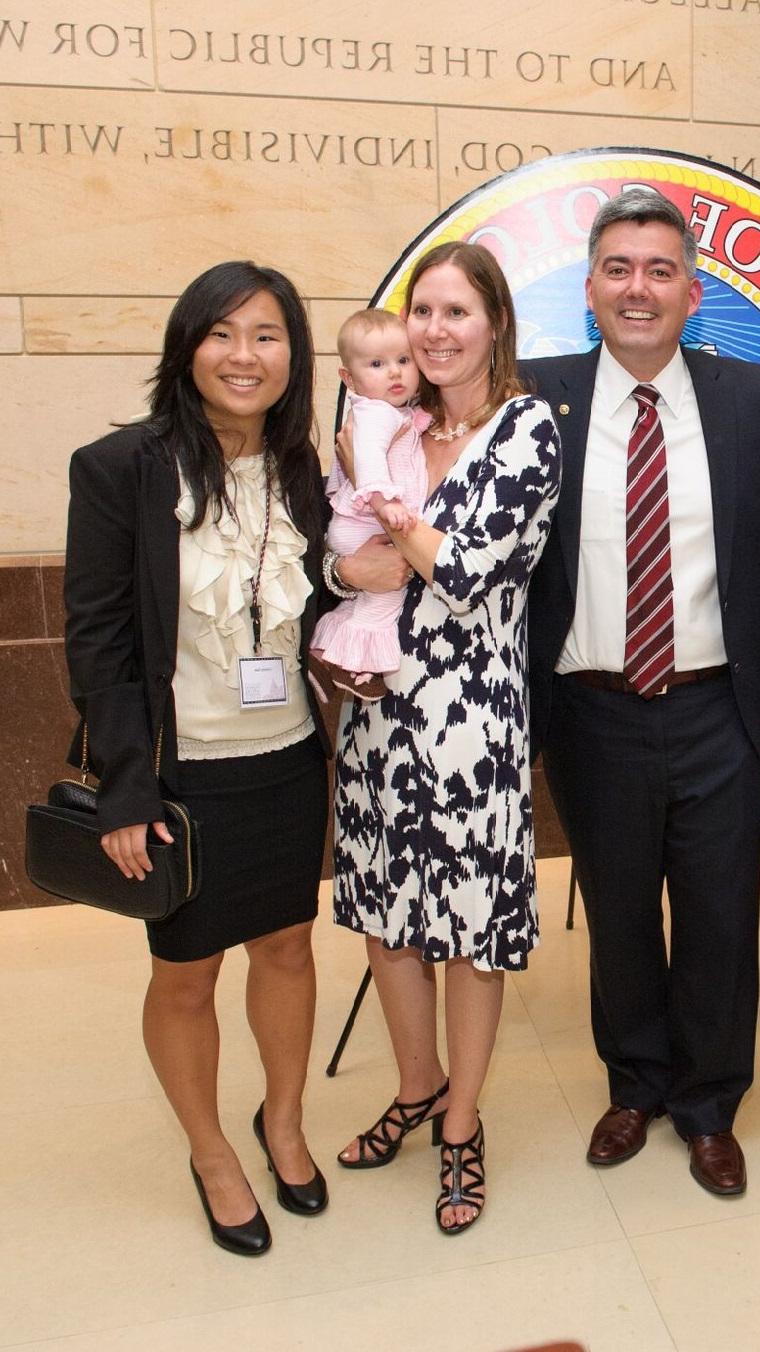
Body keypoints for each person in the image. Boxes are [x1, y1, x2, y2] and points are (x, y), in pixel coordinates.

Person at [63, 261, 333, 1255]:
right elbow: (98, 641)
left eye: (266, 335)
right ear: (186, 346)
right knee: (186, 971)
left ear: (293, 356)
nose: (243, 355)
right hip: (181, 773)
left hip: (287, 758)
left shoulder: (305, 468)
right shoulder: (120, 468)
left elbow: (325, 601)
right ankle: (213, 1149)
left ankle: (286, 1120)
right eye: (220, 332)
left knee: (290, 946)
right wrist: (126, 789)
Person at [523, 189, 760, 1197]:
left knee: (721, 914)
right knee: (621, 909)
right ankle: (634, 1082)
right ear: (591, 288)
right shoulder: (535, 397)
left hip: (718, 703)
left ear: (694, 290)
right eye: (621, 269)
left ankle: (710, 1104)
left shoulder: (754, 396)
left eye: (661, 270)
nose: (640, 288)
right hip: (591, 708)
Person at [331, 241, 561, 1236]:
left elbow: (466, 571)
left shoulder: (527, 428)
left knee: (470, 935)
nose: (433, 328)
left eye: (456, 310)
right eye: (420, 310)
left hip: (471, 723)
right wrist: (355, 571)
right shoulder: (394, 426)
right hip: (377, 711)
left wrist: (394, 545)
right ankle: (417, 1084)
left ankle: (462, 1123)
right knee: (386, 918)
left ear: (494, 323)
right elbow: (336, 553)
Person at [310, 307, 428, 699]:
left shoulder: (393, 412)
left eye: (403, 360)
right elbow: (370, 461)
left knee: (362, 602)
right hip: (368, 522)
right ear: (349, 378)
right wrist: (384, 504)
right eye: (377, 364)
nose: (394, 372)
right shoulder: (376, 414)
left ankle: (328, 654)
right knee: (386, 597)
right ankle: (358, 667)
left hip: (357, 522)